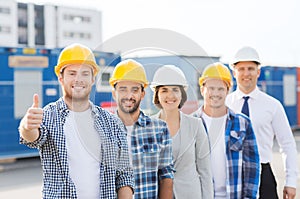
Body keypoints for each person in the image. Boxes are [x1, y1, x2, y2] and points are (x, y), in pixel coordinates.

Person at [18, 43, 134, 199]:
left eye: (85, 73)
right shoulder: (48, 116)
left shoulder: (112, 122)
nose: (78, 79)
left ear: (93, 79)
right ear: (61, 77)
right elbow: (32, 137)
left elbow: (124, 174)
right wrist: (27, 125)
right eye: (72, 73)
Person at [226, 46, 298, 199]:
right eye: (241, 69)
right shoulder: (225, 105)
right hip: (231, 174)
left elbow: (287, 144)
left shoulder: (272, 105)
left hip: (263, 175)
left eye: (251, 68)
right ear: (234, 73)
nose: (246, 74)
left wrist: (291, 181)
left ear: (258, 72)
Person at [193, 62, 260, 199]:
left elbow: (252, 166)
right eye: (211, 88)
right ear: (202, 90)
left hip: (233, 195)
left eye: (221, 89)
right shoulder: (190, 123)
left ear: (227, 91)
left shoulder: (242, 123)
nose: (215, 94)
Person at [109, 59, 174, 199]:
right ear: (114, 93)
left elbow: (166, 177)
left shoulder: (159, 129)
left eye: (135, 90)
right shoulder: (103, 130)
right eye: (123, 89)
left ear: (143, 94)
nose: (129, 96)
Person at [150, 65, 213, 199]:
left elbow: (205, 172)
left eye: (175, 90)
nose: (170, 95)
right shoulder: (147, 127)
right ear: (157, 95)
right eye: (164, 90)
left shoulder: (196, 125)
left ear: (182, 94)